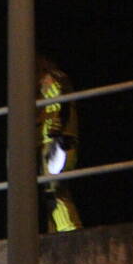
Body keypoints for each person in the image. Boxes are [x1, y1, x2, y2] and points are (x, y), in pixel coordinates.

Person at [37, 54, 83, 232]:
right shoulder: (58, 79)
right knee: (51, 190)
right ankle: (57, 232)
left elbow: (60, 104)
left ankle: (69, 230)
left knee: (54, 190)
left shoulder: (51, 78)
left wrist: (58, 130)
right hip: (58, 140)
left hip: (56, 141)